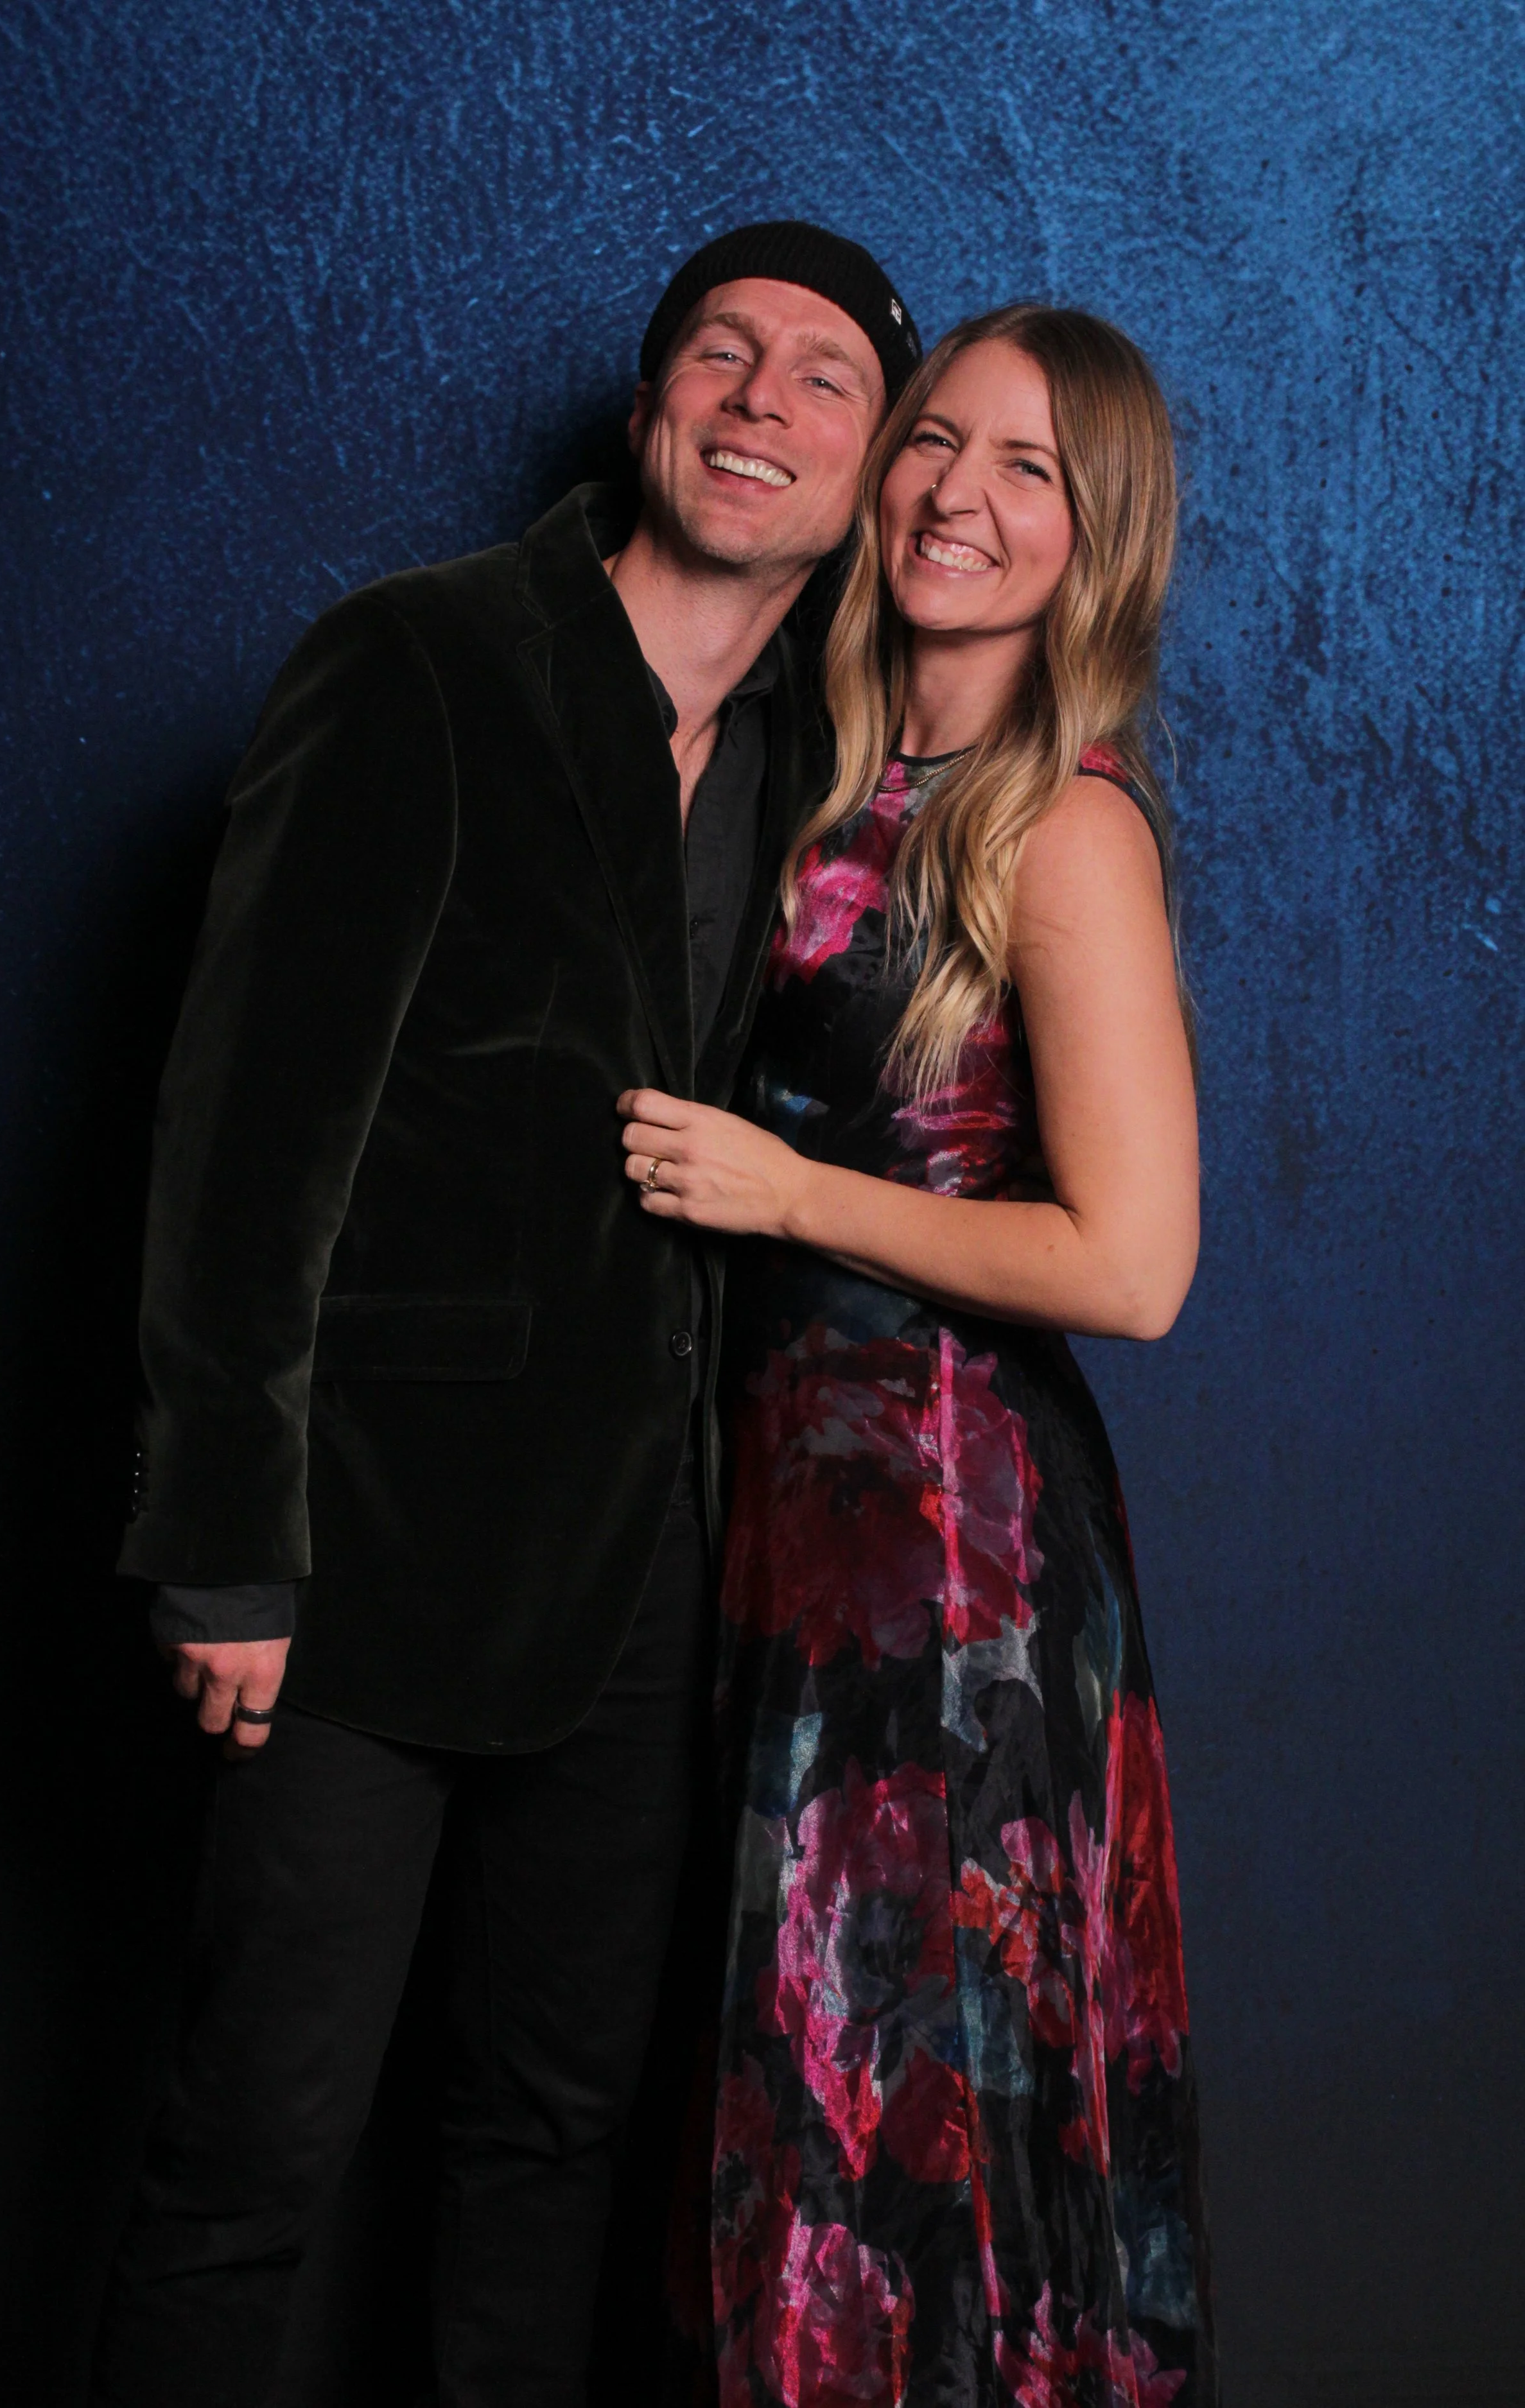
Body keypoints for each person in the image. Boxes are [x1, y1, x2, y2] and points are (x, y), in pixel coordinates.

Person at [91, 222, 920, 2408]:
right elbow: (247, 1134)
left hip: (643, 1569)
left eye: (823, 376)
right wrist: (224, 1540)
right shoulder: (418, 660)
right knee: (249, 2147)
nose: (761, 400)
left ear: (863, 467)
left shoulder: (804, 766)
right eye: (720, 353)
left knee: (552, 2141)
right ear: (650, 404)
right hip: (352, 1560)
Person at [618, 305, 1217, 2403]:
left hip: (950, 1573)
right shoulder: (843, 767)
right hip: (794, 1540)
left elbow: (1136, 1266)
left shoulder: (1059, 826)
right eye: (935, 440)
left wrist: (785, 1196)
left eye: (1028, 469)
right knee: (809, 2131)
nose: (957, 493)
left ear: (1096, 536)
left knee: (917, 2138)